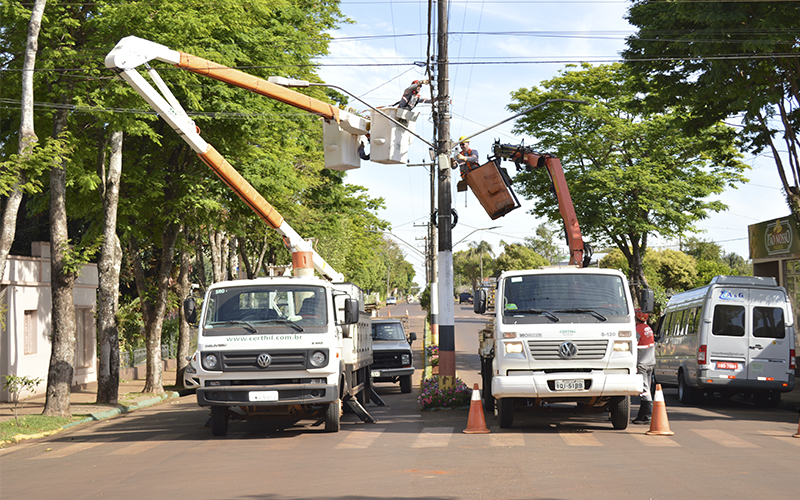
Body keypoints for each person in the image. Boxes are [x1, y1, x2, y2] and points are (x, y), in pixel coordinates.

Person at [633, 308, 656, 424]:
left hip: (642, 363)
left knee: (644, 389)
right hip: (650, 362)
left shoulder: (638, 329)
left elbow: (632, 346)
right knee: (647, 387)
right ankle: (643, 415)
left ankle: (645, 416)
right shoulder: (648, 328)